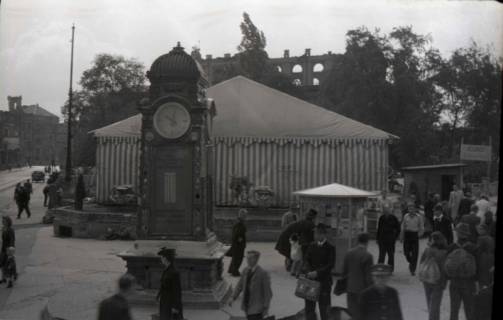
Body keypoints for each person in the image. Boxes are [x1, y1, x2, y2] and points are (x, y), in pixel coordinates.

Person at [302, 223, 335, 320]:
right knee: (309, 309)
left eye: (316, 233)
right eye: (315, 233)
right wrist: (308, 271)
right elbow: (306, 260)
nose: (314, 235)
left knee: (325, 310)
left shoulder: (330, 248)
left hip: (324, 283)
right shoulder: (311, 245)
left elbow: (330, 265)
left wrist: (317, 273)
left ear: (323, 234)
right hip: (311, 282)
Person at [445, 223, 478, 320]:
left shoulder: (451, 247)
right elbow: (478, 267)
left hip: (454, 282)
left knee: (454, 310)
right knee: (470, 309)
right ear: (467, 234)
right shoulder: (474, 248)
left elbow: (446, 266)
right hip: (469, 282)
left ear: (458, 234)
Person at [230, 250, 272, 320]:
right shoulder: (245, 270)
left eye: (250, 258)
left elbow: (268, 293)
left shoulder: (263, 273)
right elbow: (239, 286)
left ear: (256, 259)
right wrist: (233, 297)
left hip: (257, 308)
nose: (248, 260)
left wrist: (265, 308)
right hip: (247, 306)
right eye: (247, 258)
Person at [342, 233, 373, 319]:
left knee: (352, 314)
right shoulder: (368, 256)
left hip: (350, 289)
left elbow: (344, 272)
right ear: (367, 242)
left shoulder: (349, 253)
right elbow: (368, 277)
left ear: (357, 241)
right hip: (362, 291)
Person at [419, 232, 448, 320]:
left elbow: (421, 263)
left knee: (430, 304)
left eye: (430, 239)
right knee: (435, 306)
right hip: (438, 282)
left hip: (427, 280)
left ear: (434, 241)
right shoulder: (444, 253)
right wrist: (444, 283)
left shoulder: (427, 250)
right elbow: (445, 269)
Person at [157, 247, 183, 320]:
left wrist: (175, 306)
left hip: (170, 302)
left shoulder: (174, 272)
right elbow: (163, 286)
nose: (161, 259)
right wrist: (158, 296)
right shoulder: (166, 270)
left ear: (166, 258)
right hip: (165, 301)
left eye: (162, 257)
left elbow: (177, 291)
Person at [400, 201, 424, 275]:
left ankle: (412, 269)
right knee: (406, 253)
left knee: (415, 253)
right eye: (409, 208)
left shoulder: (419, 217)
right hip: (407, 235)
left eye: (412, 208)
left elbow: (421, 227)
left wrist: (419, 234)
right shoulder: (405, 216)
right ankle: (411, 262)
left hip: (414, 235)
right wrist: (401, 236)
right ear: (408, 209)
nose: (410, 210)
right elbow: (403, 226)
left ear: (415, 209)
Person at [376, 207, 400, 271]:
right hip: (382, 239)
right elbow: (379, 229)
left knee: (391, 255)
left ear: (390, 210)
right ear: (383, 211)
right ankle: (380, 268)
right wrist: (377, 239)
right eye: (385, 210)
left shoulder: (394, 218)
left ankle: (390, 269)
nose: (386, 211)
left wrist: (395, 237)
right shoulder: (381, 218)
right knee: (381, 255)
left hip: (390, 240)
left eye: (387, 209)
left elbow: (398, 229)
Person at [228, 208, 247, 277]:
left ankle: (231, 269)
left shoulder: (238, 221)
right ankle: (235, 271)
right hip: (238, 244)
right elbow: (238, 234)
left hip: (236, 243)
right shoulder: (240, 223)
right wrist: (240, 241)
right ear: (242, 215)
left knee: (235, 257)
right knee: (238, 257)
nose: (246, 217)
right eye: (245, 215)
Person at [475, 224, 495, 289]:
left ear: (484, 230)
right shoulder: (490, 237)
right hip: (491, 258)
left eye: (480, 229)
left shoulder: (480, 238)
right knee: (489, 276)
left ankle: (482, 293)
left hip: (483, 259)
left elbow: (478, 251)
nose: (478, 231)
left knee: (482, 277)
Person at [1, 216, 15, 284]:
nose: (2, 222)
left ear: (8, 221)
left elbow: (12, 239)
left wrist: (11, 248)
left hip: (9, 249)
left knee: (9, 264)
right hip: (3, 248)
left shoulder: (10, 229)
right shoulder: (4, 228)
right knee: (2, 264)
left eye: (4, 220)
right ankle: (3, 278)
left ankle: (10, 280)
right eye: (2, 220)